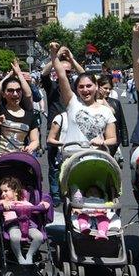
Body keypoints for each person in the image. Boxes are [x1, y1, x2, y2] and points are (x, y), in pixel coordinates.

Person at [47, 43, 117, 153]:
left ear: (97, 86)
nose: (85, 90)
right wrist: (53, 53)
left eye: (89, 86)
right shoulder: (72, 102)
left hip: (95, 156)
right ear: (77, 89)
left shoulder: (106, 111)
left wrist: (103, 142)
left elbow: (112, 139)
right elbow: (61, 75)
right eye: (81, 87)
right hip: (71, 157)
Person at [41, 46, 85, 202]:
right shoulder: (51, 86)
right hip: (54, 129)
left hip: (73, 128)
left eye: (68, 72)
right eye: (62, 71)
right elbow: (43, 74)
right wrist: (56, 57)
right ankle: (55, 195)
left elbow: (86, 76)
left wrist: (72, 59)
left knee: (74, 161)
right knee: (53, 164)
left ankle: (72, 189)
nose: (65, 74)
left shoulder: (75, 88)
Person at [0, 55, 39, 160]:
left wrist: (30, 147)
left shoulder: (30, 115)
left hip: (21, 161)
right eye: (10, 91)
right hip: (0, 162)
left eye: (18, 90)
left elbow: (35, 140)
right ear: (3, 94)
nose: (15, 94)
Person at [0, 176, 48, 265]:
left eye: (6, 191)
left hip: (28, 225)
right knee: (15, 237)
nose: (3, 194)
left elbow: (35, 208)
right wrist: (2, 202)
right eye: (1, 192)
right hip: (13, 225)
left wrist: (43, 204)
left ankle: (30, 255)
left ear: (15, 192)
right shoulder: (5, 203)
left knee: (39, 236)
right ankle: (19, 256)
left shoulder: (24, 202)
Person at [96, 75, 129, 152]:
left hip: (112, 143)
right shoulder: (93, 103)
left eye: (109, 89)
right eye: (105, 88)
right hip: (97, 142)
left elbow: (122, 123)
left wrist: (125, 141)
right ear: (98, 88)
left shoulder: (115, 102)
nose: (108, 91)